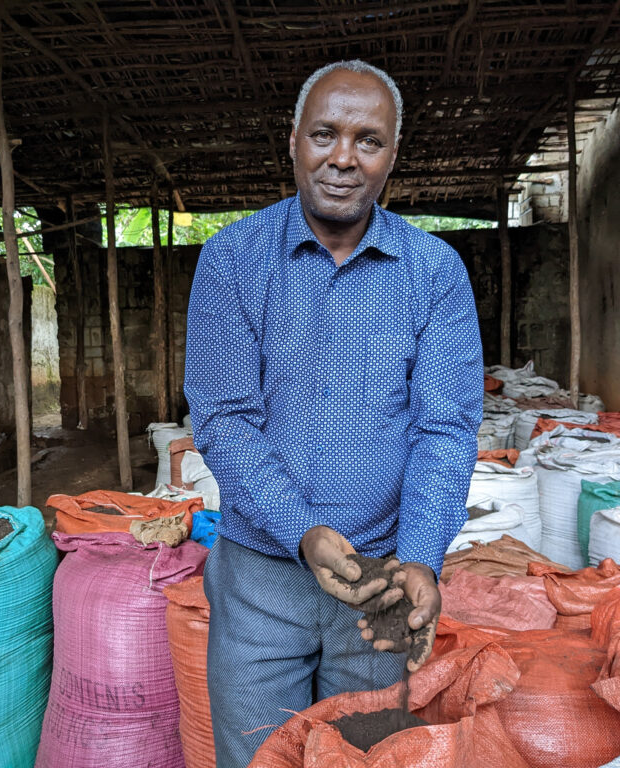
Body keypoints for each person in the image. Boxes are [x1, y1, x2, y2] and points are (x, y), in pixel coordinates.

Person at [183, 59, 483, 767]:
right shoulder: (232, 260)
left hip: (380, 594)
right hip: (259, 583)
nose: (343, 157)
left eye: (368, 140)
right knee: (259, 759)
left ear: (392, 156)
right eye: (325, 134)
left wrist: (419, 560)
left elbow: (444, 429)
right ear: (293, 141)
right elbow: (223, 419)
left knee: (368, 757)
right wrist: (301, 530)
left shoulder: (433, 270)